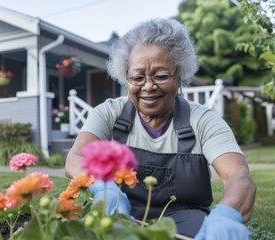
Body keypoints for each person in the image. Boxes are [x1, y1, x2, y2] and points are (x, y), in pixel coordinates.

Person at [65, 18, 256, 239]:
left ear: (180, 76)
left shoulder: (204, 120)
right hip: (121, 213)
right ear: (126, 77)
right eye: (137, 77)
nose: (148, 86)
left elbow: (238, 175)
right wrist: (105, 189)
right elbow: (76, 158)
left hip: (185, 217)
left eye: (161, 76)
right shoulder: (108, 113)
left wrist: (227, 214)